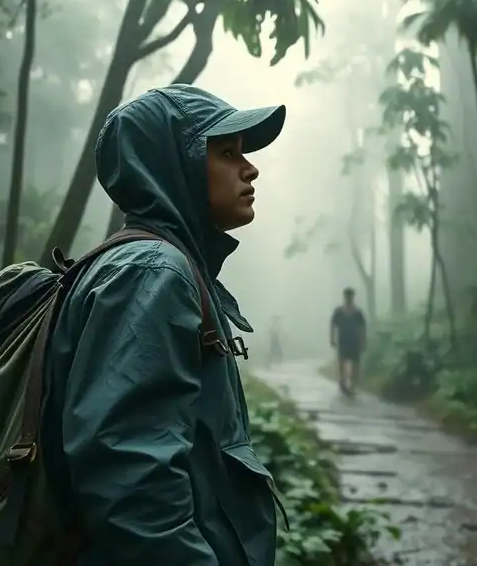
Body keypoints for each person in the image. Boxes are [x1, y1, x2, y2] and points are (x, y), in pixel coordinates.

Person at [42, 85, 287, 564]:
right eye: (227, 153)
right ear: (176, 163)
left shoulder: (159, 266)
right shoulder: (152, 273)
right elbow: (132, 484)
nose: (250, 168)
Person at [330, 287, 366, 395]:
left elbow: (362, 328)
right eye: (347, 296)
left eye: (350, 296)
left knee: (355, 364)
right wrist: (332, 338)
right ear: (344, 297)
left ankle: (353, 385)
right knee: (342, 362)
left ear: (353, 297)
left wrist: (363, 341)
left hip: (355, 340)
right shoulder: (339, 312)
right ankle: (343, 382)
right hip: (343, 340)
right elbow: (333, 325)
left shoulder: (358, 313)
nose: (348, 298)